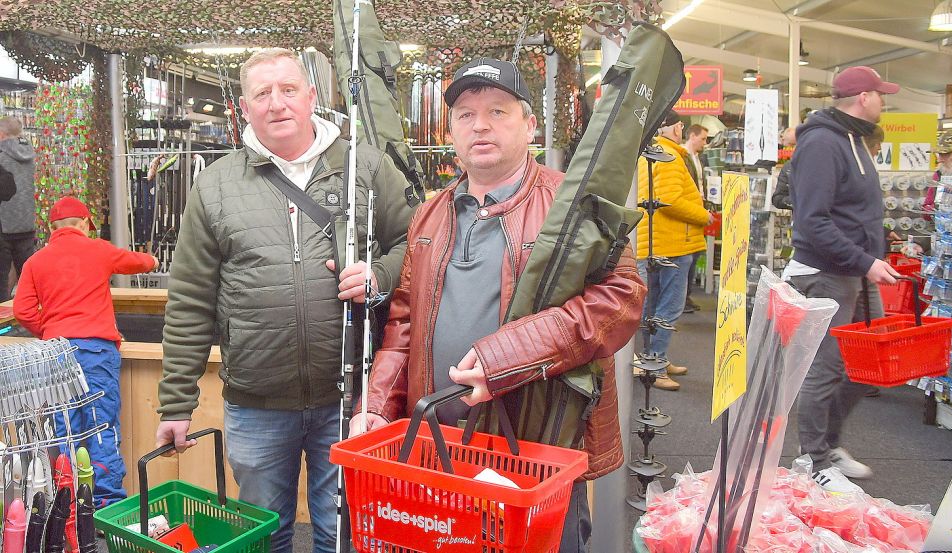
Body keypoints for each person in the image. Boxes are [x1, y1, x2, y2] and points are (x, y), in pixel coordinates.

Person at [350, 57, 644, 553]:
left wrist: (505, 358)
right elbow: (402, 323)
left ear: (530, 125)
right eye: (465, 114)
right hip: (439, 449)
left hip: (536, 448)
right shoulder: (430, 214)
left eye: (498, 111)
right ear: (452, 132)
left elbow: (621, 300)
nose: (480, 125)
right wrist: (378, 407)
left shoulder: (573, 208)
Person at [154, 48, 414, 553]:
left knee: (342, 534)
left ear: (312, 97)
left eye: (288, 90)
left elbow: (422, 241)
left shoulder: (366, 167)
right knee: (260, 536)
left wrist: (379, 274)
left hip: (349, 400)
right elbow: (189, 301)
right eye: (262, 93)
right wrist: (176, 402)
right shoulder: (215, 187)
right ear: (245, 108)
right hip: (256, 403)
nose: (277, 103)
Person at [785, 66, 901, 493]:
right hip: (830, 273)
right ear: (863, 97)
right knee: (827, 369)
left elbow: (851, 210)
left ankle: (828, 447)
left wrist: (875, 248)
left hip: (856, 269)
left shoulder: (852, 140)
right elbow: (812, 222)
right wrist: (865, 260)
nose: (884, 102)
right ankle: (813, 458)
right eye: (880, 94)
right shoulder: (821, 143)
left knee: (867, 366)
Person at [13, 196, 158, 507]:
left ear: (51, 228)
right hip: (96, 350)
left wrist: (50, 331)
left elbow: (23, 310)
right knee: (100, 424)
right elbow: (138, 262)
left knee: (63, 428)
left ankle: (66, 503)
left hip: (54, 355)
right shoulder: (99, 249)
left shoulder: (35, 261)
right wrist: (154, 260)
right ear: (84, 225)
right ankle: (105, 503)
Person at [636, 110, 711, 391]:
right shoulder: (668, 157)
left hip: (657, 241)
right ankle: (654, 362)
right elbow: (669, 199)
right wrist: (703, 215)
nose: (681, 130)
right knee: (668, 306)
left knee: (654, 306)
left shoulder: (652, 154)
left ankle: (654, 359)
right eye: (680, 125)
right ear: (672, 128)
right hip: (672, 243)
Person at [0, 116, 37, 301]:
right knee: (30, 280)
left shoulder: (1, 155)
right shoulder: (29, 153)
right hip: (26, 224)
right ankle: (30, 321)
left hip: (3, 225)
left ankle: (3, 326)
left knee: (1, 281)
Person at [681, 123, 709, 313]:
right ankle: (683, 297)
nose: (705, 143)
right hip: (687, 213)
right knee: (686, 257)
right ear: (692, 136)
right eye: (703, 139)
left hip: (697, 210)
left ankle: (686, 295)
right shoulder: (681, 157)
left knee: (694, 254)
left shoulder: (699, 159)